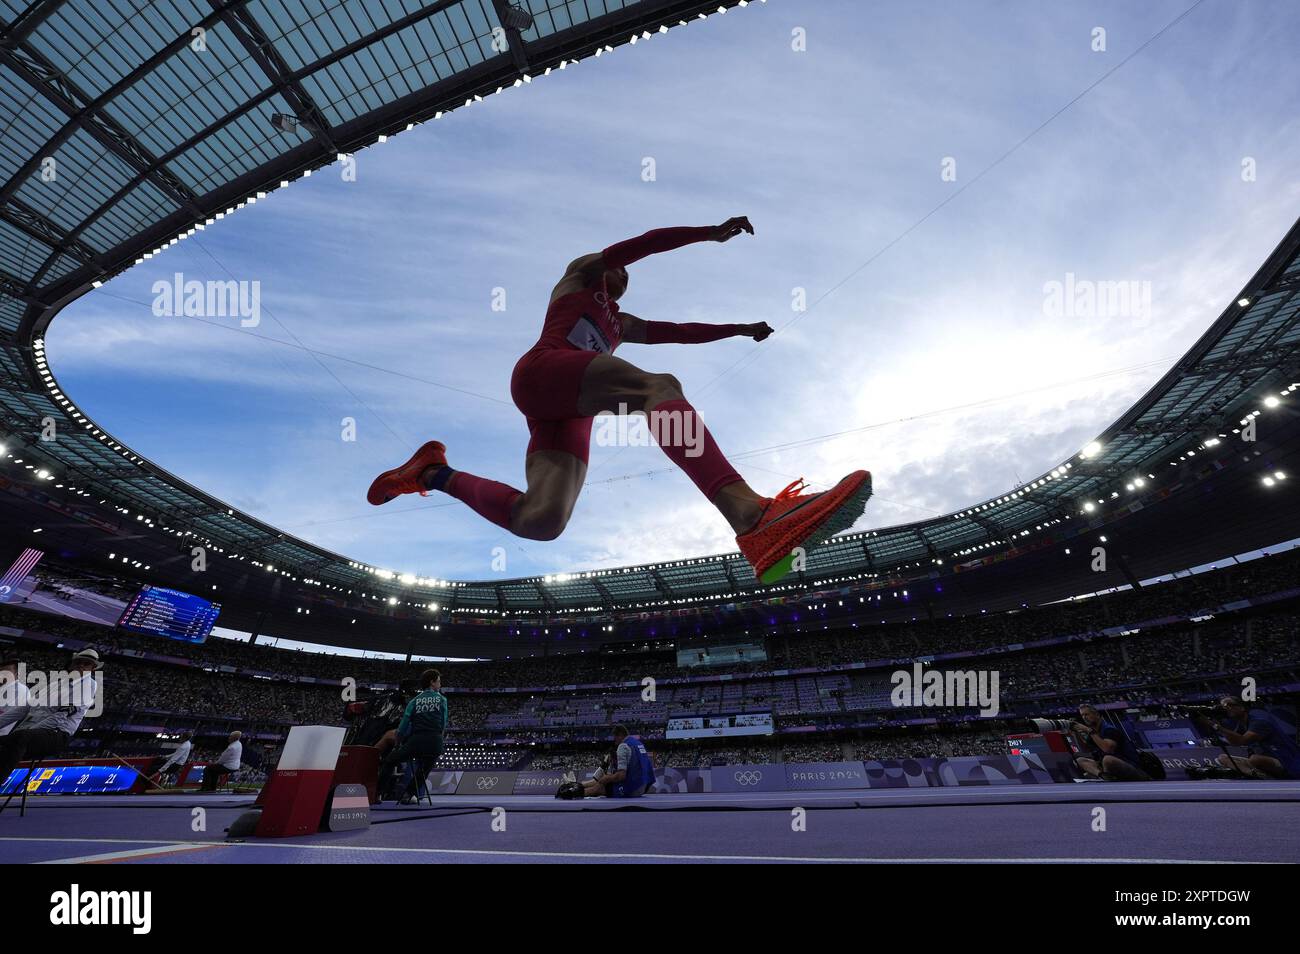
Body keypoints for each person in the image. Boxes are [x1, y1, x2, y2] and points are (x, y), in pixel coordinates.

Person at [367, 219, 872, 584]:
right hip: (542, 373)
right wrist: (707, 233)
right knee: (660, 387)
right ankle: (749, 514)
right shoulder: (580, 276)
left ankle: (431, 473)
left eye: (629, 279)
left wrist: (736, 329)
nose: (627, 278)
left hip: (564, 411)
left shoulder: (621, 325)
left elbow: (677, 330)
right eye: (622, 272)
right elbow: (646, 243)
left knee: (541, 521)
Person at [0, 648, 101, 781]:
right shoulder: (54, 684)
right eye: (78, 662)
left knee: (20, 738)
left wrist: (29, 730)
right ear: (71, 665)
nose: (81, 666)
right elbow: (24, 708)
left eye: (86, 664)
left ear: (92, 669)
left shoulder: (89, 685)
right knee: (13, 739)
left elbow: (61, 716)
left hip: (56, 734)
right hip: (33, 732)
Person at [376, 669, 448, 804]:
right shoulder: (442, 700)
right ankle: (410, 793)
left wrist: (398, 742)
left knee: (390, 761)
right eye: (439, 681)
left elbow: (403, 726)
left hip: (416, 742)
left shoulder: (414, 701)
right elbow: (443, 725)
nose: (440, 684)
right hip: (435, 742)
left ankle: (377, 793)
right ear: (432, 682)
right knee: (428, 763)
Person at [1201, 697, 1300, 780]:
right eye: (1224, 707)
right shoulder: (1240, 725)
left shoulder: (1259, 722)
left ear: (1242, 707)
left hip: (1284, 761)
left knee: (1255, 759)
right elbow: (1235, 743)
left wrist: (1216, 726)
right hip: (1263, 762)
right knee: (1223, 758)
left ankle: (1264, 777)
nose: (1227, 708)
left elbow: (1241, 741)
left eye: (1230, 705)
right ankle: (1261, 776)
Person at [1071, 704, 1149, 781]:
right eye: (1082, 715)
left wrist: (1088, 730)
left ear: (1097, 715)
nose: (1084, 718)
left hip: (1130, 766)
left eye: (1087, 714)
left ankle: (1105, 776)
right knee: (1080, 760)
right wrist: (1075, 733)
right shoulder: (1094, 732)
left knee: (1108, 760)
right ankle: (1103, 776)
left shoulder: (1109, 730)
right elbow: (1085, 750)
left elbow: (1107, 749)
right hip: (1106, 767)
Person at [573, 725, 655, 798]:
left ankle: (573, 792)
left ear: (619, 735)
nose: (614, 741)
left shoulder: (623, 746)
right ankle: (578, 785)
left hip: (632, 789)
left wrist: (605, 779)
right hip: (643, 786)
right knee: (605, 778)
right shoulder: (638, 743)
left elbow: (621, 776)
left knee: (599, 788)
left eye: (614, 737)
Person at [0, 656, 29, 737]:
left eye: (7, 670)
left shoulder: (20, 690)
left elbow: (4, 716)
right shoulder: (3, 686)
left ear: (17, 673)